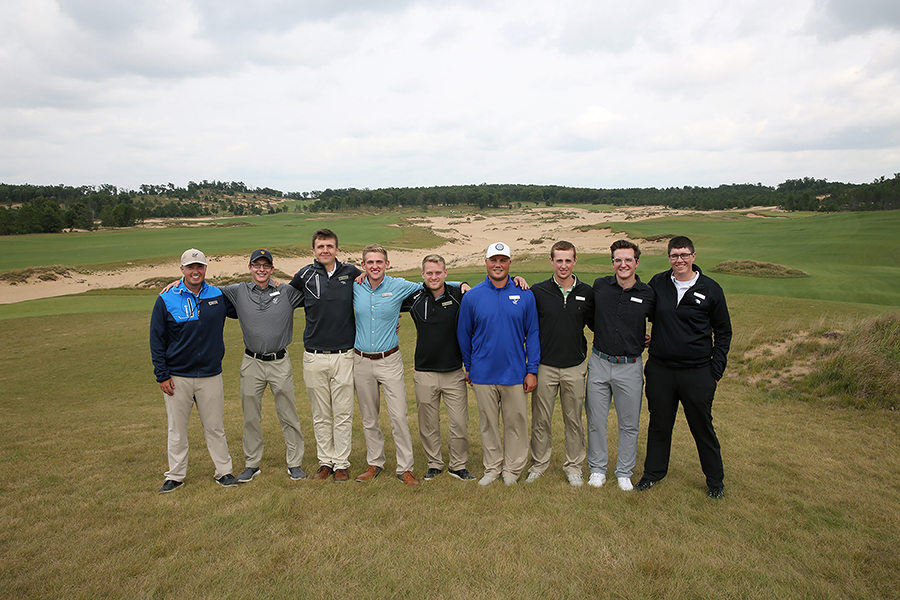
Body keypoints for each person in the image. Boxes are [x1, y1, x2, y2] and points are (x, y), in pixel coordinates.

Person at [353, 244, 469, 486]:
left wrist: (462, 284)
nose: (375, 266)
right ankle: (375, 463)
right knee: (369, 417)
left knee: (399, 416)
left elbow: (435, 284)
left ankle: (405, 468)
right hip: (361, 360)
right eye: (370, 262)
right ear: (363, 265)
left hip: (390, 358)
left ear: (387, 264)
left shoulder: (400, 286)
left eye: (379, 262)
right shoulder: (355, 285)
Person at [636, 236, 732, 499]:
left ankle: (715, 481)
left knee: (702, 427)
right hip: (660, 370)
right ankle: (653, 473)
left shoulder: (710, 289)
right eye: (674, 255)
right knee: (659, 424)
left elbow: (723, 332)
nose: (679, 260)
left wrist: (715, 372)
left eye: (684, 255)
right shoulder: (658, 282)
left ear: (693, 256)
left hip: (697, 372)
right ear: (668, 258)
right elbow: (649, 314)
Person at [150, 248, 238, 493]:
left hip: (210, 374)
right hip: (178, 376)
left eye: (199, 267)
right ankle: (175, 475)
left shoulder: (217, 295)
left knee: (215, 427)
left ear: (205, 269)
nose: (195, 271)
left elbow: (249, 299)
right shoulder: (166, 298)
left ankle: (224, 471)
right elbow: (157, 339)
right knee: (176, 429)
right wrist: (162, 374)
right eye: (190, 267)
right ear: (182, 270)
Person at [219, 249, 306, 483]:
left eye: (265, 266)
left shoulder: (287, 291)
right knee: (250, 416)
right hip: (251, 362)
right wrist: (179, 281)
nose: (261, 269)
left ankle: (295, 463)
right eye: (256, 265)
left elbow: (318, 292)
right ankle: (252, 464)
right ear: (249, 268)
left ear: (272, 269)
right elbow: (205, 291)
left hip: (279, 361)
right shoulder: (238, 291)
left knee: (288, 414)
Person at [457, 242, 540, 486]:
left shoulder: (524, 294)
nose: (498, 264)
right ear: (486, 262)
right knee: (489, 425)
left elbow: (533, 333)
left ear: (509, 264)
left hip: (514, 372)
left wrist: (532, 369)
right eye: (494, 260)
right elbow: (464, 334)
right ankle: (492, 468)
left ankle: (512, 470)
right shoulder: (472, 296)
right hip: (483, 373)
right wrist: (469, 366)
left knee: (516, 424)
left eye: (503, 260)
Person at [288, 229, 361, 482]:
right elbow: (286, 297)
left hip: (344, 354)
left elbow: (376, 292)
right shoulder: (304, 275)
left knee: (342, 413)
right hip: (313, 355)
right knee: (320, 414)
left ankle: (341, 463)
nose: (325, 250)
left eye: (329, 246)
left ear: (337, 249)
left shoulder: (351, 273)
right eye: (320, 246)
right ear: (313, 250)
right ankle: (325, 462)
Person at [584, 240, 655, 491]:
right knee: (595, 420)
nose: (622, 264)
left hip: (630, 365)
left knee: (629, 423)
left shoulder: (647, 293)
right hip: (600, 362)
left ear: (636, 262)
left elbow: (664, 321)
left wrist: (650, 338)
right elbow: (591, 318)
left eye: (628, 260)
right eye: (618, 260)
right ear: (612, 262)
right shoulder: (600, 286)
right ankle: (597, 469)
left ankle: (624, 472)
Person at [400, 254, 476, 482]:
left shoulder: (459, 295)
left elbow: (487, 291)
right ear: (423, 275)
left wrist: (462, 284)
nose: (434, 277)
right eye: (429, 273)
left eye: (438, 272)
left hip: (454, 371)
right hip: (424, 372)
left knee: (459, 423)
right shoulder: (413, 297)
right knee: (428, 423)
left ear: (445, 274)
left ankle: (458, 465)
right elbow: (384, 302)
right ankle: (434, 464)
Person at [526, 241, 594, 487]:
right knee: (541, 419)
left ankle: (574, 466)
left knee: (573, 419)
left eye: (568, 260)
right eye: (559, 260)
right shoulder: (538, 291)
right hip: (545, 366)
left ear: (575, 261)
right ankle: (539, 464)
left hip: (575, 366)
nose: (563, 265)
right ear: (551, 261)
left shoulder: (587, 292)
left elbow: (600, 325)